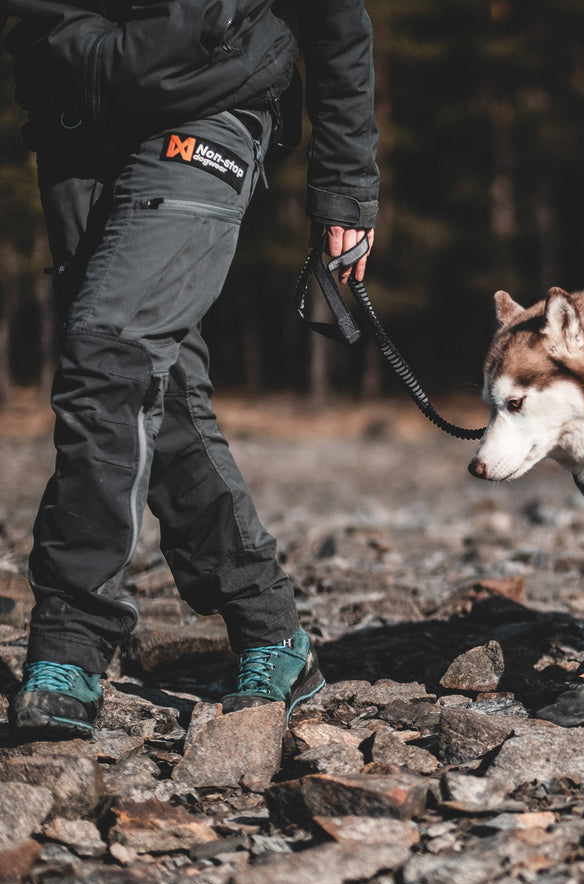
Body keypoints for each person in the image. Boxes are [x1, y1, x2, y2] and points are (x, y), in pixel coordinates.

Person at [0, 0, 379, 738]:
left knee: (111, 352)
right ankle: (271, 631)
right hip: (74, 117)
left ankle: (72, 639)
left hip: (213, 102)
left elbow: (336, 18)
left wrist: (345, 186)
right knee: (155, 384)